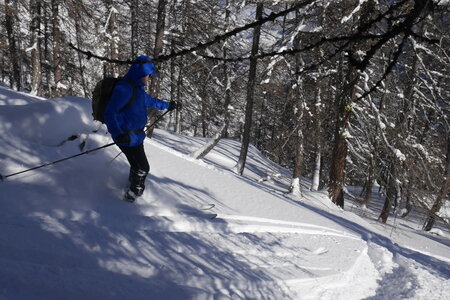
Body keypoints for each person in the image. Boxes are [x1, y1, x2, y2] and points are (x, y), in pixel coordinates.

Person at [104, 55, 180, 202]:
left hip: (136, 137)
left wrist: (167, 105)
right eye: (149, 76)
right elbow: (110, 113)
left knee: (137, 165)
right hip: (126, 137)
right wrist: (118, 134)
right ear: (141, 73)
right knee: (143, 167)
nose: (149, 79)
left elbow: (150, 101)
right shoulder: (124, 89)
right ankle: (132, 198)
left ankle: (130, 190)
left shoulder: (137, 89)